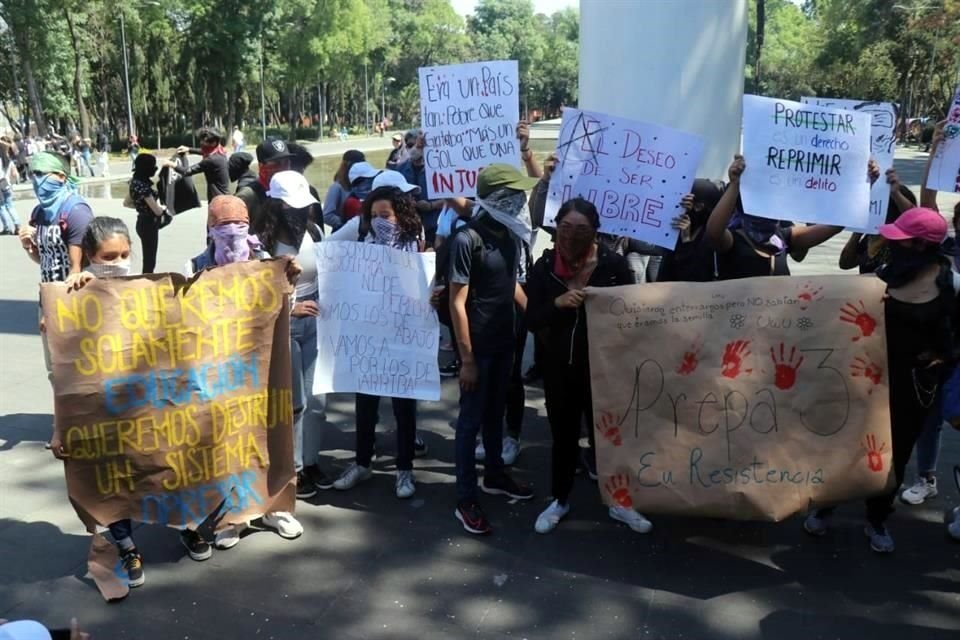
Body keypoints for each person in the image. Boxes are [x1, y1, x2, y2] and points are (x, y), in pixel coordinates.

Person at [803, 207, 956, 553]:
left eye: (903, 239)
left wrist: (939, 358)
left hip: (912, 388)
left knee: (894, 454)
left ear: (921, 245)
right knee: (847, 442)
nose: (894, 244)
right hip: (864, 378)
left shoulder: (950, 285)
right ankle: (827, 506)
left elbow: (953, 340)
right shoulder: (884, 275)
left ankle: (877, 518)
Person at [183, 195, 305, 552]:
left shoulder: (267, 262)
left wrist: (290, 284)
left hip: (263, 367)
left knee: (272, 434)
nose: (232, 230)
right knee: (228, 441)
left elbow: (284, 310)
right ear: (210, 228)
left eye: (239, 223)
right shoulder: (194, 266)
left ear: (249, 224)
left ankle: (276, 508)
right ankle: (233, 517)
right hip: (221, 369)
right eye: (223, 224)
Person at [525, 198, 650, 534]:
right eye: (565, 227)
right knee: (564, 437)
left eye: (581, 229)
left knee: (609, 438)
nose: (571, 236)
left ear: (595, 232)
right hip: (559, 370)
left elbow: (631, 317)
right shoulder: (545, 267)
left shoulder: (613, 266)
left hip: (605, 372)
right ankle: (559, 499)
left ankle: (620, 502)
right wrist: (557, 303)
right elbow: (532, 319)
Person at [47, 217, 145, 586]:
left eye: (124, 254)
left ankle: (187, 525)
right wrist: (60, 427)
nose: (118, 262)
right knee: (112, 479)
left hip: (147, 408)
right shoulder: (73, 298)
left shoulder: (146, 291)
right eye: (109, 257)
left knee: (164, 466)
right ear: (90, 256)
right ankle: (127, 546)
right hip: (101, 413)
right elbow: (61, 375)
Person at [449, 164, 538, 535]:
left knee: (494, 414)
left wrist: (538, 317)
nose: (520, 200)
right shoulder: (466, 239)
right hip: (478, 348)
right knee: (469, 423)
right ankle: (465, 498)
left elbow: (511, 284)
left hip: (504, 342)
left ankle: (495, 476)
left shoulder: (510, 235)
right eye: (514, 194)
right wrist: (467, 360)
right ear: (497, 198)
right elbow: (457, 303)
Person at [332, 185, 426, 498]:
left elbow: (422, 288)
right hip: (370, 339)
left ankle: (404, 469)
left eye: (385, 215)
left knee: (404, 407)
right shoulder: (363, 242)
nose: (379, 221)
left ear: (400, 214)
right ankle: (362, 462)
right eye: (373, 215)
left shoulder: (415, 243)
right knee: (366, 405)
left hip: (403, 339)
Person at [257, 172, 331, 499]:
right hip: (283, 325)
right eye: (292, 207)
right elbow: (257, 294)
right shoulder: (262, 242)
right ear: (276, 205)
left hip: (315, 323)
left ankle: (312, 461)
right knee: (295, 403)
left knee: (318, 401)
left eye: (304, 207)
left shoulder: (315, 231)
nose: (299, 213)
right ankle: (295, 469)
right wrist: (292, 308)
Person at [705, 155, 879, 279]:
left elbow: (837, 224)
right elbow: (713, 233)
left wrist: (864, 185)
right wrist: (735, 185)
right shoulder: (733, 239)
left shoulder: (781, 237)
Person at [838, 169, 918, 274]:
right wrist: (858, 231)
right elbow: (845, 263)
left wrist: (896, 194)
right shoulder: (872, 237)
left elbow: (913, 218)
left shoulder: (906, 241)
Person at [657, 179, 724, 282]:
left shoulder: (710, 237)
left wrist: (686, 241)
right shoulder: (675, 229)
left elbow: (694, 277)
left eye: (685, 204)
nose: (680, 207)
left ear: (699, 207)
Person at [166, 128, 230, 203]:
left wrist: (170, 164)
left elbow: (187, 171)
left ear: (213, 143)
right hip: (224, 197)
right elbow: (204, 151)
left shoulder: (211, 160)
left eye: (204, 143)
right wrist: (189, 149)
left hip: (218, 201)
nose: (201, 144)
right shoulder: (220, 151)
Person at [245, 138, 295, 234]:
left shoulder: (296, 190)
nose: (283, 168)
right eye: (277, 163)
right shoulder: (248, 195)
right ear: (261, 166)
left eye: (286, 162)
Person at [129, 154, 168, 274]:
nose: (155, 168)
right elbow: (157, 211)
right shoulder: (144, 188)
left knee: (148, 257)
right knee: (150, 261)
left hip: (141, 221)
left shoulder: (134, 182)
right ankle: (147, 280)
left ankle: (146, 278)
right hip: (149, 224)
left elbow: (126, 203)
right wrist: (164, 208)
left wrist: (141, 207)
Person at [323, 149, 365, 229]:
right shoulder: (337, 187)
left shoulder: (363, 185)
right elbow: (327, 215)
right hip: (344, 231)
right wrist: (347, 226)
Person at [0, 138, 19, 235]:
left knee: (2, 206)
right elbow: (15, 174)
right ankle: (17, 225)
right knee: (10, 206)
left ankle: (7, 227)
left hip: (0, 183)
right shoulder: (8, 160)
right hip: (6, 184)